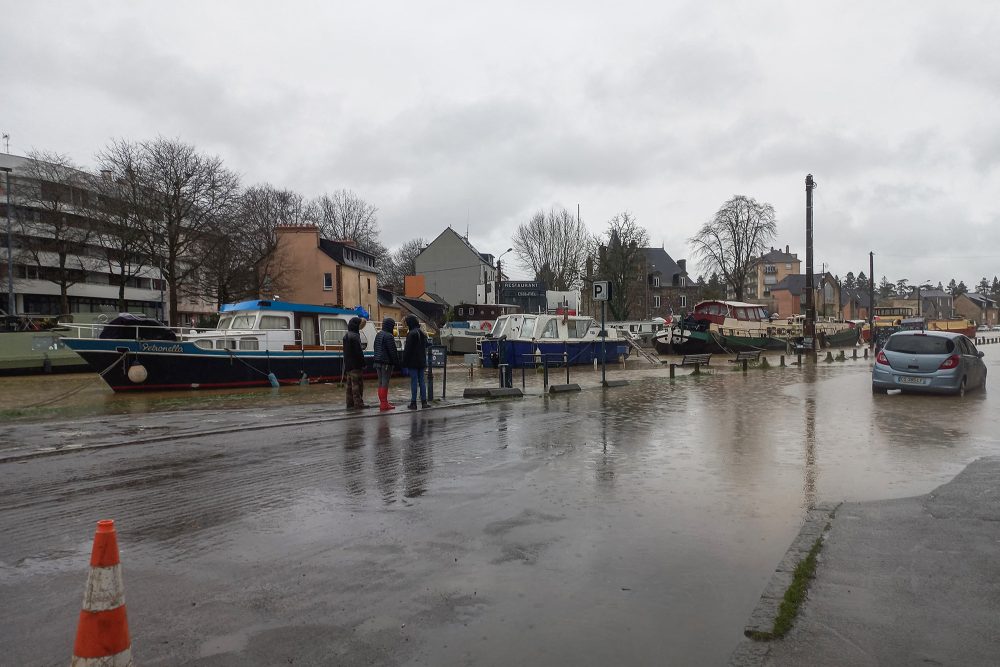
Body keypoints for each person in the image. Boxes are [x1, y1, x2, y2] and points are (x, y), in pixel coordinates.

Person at [401, 315, 428, 410]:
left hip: (413, 362)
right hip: (422, 361)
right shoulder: (422, 333)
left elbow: (407, 350)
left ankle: (413, 403)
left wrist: (404, 362)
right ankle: (424, 402)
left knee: (414, 382)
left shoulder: (411, 334)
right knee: (422, 382)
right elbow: (427, 345)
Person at [373, 317, 400, 412]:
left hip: (377, 362)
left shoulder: (378, 334)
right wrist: (397, 363)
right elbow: (392, 351)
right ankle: (384, 404)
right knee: (385, 383)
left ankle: (382, 403)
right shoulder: (389, 336)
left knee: (380, 383)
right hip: (386, 363)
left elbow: (375, 347)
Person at [342, 316, 367, 409]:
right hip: (356, 365)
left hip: (348, 365)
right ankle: (358, 403)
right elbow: (358, 352)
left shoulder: (346, 335)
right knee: (357, 385)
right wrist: (363, 363)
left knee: (349, 386)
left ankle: (349, 403)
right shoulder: (355, 336)